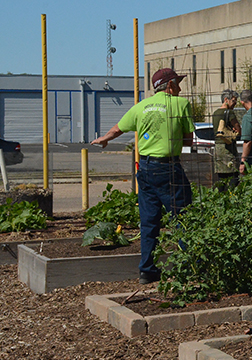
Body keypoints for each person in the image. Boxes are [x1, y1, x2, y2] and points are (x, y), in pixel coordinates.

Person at [90, 68, 194, 284]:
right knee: (182, 217)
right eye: (178, 83)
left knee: (148, 221)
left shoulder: (140, 107)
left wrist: (104, 138)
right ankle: (189, 265)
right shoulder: (180, 105)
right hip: (168, 168)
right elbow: (188, 141)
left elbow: (118, 128)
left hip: (145, 168)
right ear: (169, 84)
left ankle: (147, 269)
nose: (180, 88)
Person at [212, 89, 241, 190]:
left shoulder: (215, 113)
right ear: (226, 99)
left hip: (218, 148)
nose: (235, 103)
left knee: (221, 178)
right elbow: (238, 129)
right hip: (228, 148)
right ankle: (232, 198)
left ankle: (220, 198)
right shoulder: (229, 113)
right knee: (233, 176)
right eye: (233, 100)